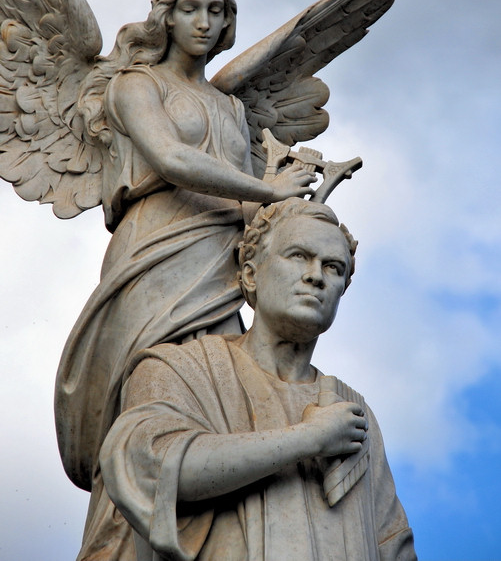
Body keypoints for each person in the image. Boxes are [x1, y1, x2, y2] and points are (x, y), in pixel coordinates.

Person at [54, 0, 316, 560]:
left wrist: (292, 205)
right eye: (192, 9)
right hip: (153, 253)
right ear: (165, 16)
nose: (205, 22)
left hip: (223, 265)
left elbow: (247, 204)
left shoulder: (229, 107)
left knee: (216, 400)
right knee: (145, 401)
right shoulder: (134, 85)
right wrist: (265, 191)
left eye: (218, 12)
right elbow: (171, 157)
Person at [100, 198, 417, 560]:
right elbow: (150, 469)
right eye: (298, 256)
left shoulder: (355, 412)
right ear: (251, 274)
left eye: (333, 267)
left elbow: (392, 544)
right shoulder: (179, 368)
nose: (316, 276)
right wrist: (310, 438)